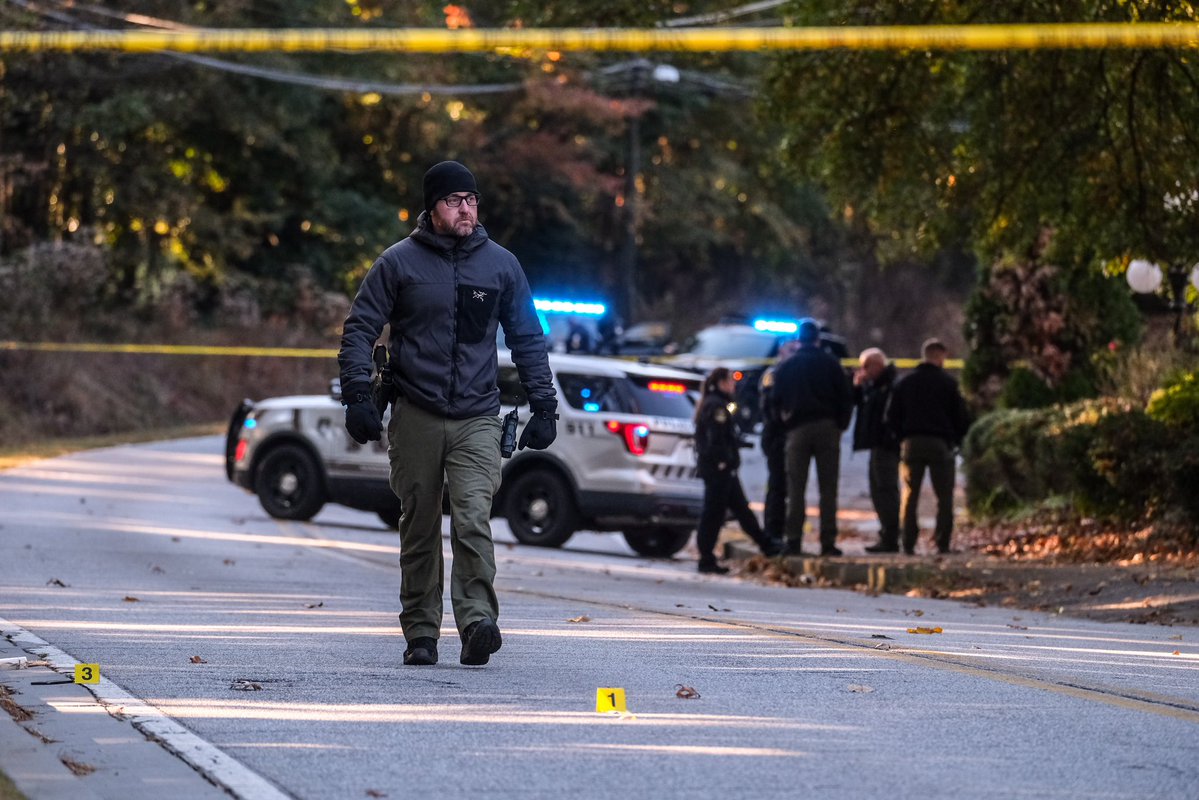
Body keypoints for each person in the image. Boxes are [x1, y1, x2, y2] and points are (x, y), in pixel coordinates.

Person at [338, 160, 557, 667]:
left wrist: (544, 405)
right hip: (416, 411)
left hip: (479, 415)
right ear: (432, 207)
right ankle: (420, 631)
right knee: (418, 524)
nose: (466, 209)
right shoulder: (398, 263)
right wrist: (357, 395)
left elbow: (527, 336)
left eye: (472, 200)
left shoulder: (501, 265)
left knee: (474, 518)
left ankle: (478, 622)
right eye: (455, 200)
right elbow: (359, 327)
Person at [773, 318, 853, 557]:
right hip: (827, 428)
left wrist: (785, 423)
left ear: (799, 340)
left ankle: (794, 540)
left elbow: (775, 400)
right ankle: (828, 542)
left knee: (796, 487)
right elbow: (845, 397)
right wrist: (841, 425)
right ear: (818, 339)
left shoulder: (787, 366)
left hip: (798, 429)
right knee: (828, 488)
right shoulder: (831, 364)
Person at [885, 338, 971, 555]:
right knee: (944, 496)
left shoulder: (906, 382)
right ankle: (942, 543)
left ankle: (908, 543)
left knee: (910, 495)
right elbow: (960, 417)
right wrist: (957, 440)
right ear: (940, 356)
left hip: (912, 443)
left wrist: (901, 437)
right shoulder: (948, 384)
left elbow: (891, 415)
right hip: (940, 443)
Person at [693, 367, 779, 574]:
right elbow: (715, 438)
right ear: (722, 382)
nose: (733, 385)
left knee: (740, 509)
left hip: (724, 468)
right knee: (713, 514)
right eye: (731, 381)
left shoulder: (719, 403)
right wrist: (724, 460)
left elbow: (730, 423)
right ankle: (706, 558)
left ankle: (766, 545)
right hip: (719, 469)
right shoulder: (716, 406)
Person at [852, 348, 901, 553]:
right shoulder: (875, 386)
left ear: (878, 365)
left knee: (885, 490)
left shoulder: (890, 386)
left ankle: (890, 537)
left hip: (886, 445)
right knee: (877, 490)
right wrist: (859, 388)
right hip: (877, 445)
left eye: (866, 366)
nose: (863, 371)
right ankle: (886, 534)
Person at [758, 339, 799, 549]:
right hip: (776, 437)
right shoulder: (773, 374)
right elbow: (771, 408)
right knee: (777, 486)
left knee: (789, 487)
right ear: (782, 350)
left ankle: (782, 531)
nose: (795, 352)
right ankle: (773, 532)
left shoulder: (793, 371)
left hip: (788, 436)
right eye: (791, 348)